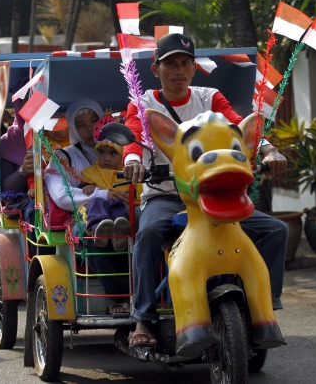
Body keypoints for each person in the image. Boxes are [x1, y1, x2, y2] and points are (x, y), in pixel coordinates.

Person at [123, 33, 289, 348]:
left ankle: (265, 305)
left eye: (185, 63)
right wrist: (133, 160)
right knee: (147, 235)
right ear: (156, 68)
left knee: (275, 230)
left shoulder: (209, 97)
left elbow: (239, 128)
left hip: (214, 194)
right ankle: (143, 319)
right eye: (170, 63)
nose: (178, 71)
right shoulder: (144, 103)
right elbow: (135, 136)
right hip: (167, 197)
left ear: (194, 67)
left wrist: (268, 150)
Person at [44, 99, 129, 308]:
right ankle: (117, 299)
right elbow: (62, 196)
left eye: (94, 120)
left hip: (125, 213)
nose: (90, 128)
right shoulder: (63, 156)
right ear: (73, 128)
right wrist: (103, 195)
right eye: (81, 124)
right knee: (96, 232)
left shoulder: (125, 150)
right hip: (82, 217)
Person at [79, 130, 133, 251]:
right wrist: (87, 187)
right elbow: (81, 188)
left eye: (113, 153)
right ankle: (99, 229)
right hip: (97, 206)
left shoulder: (128, 171)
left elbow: (137, 192)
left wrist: (131, 198)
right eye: (102, 152)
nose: (106, 158)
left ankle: (118, 236)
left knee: (118, 206)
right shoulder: (92, 171)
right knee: (96, 202)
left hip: (118, 204)